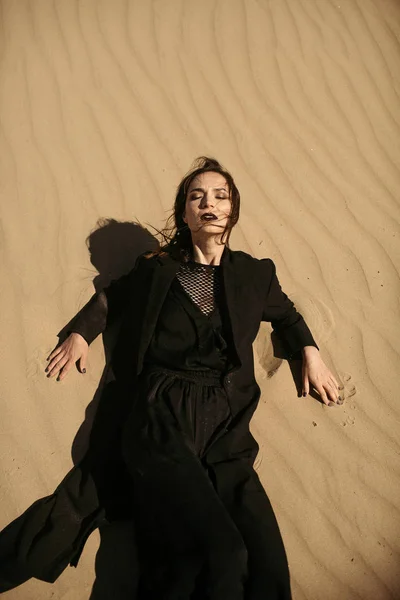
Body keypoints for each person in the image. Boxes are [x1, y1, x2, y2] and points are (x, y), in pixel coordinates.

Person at [0, 157, 341, 599]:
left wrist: (310, 354)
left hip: (227, 429)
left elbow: (288, 315)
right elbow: (110, 299)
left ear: (233, 209)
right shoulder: (156, 270)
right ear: (184, 212)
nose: (209, 203)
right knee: (222, 554)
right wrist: (81, 334)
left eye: (220, 195)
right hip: (161, 418)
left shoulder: (256, 274)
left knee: (266, 564)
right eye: (196, 196)